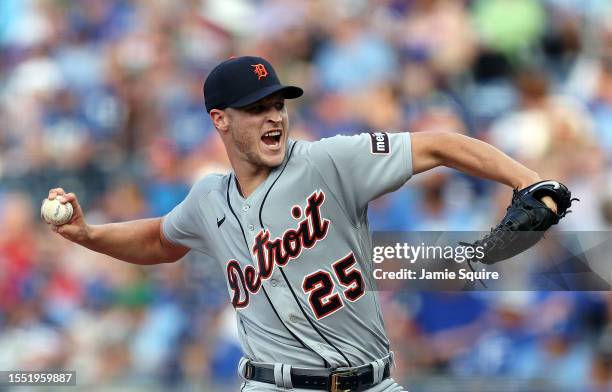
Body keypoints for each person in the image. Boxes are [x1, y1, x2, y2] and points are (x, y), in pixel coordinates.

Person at [46, 56, 559, 391]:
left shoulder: (328, 161)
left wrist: (526, 180)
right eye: (255, 109)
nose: (273, 117)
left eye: (277, 105)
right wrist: (89, 236)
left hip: (372, 381)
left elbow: (440, 145)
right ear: (220, 119)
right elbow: (160, 238)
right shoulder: (208, 198)